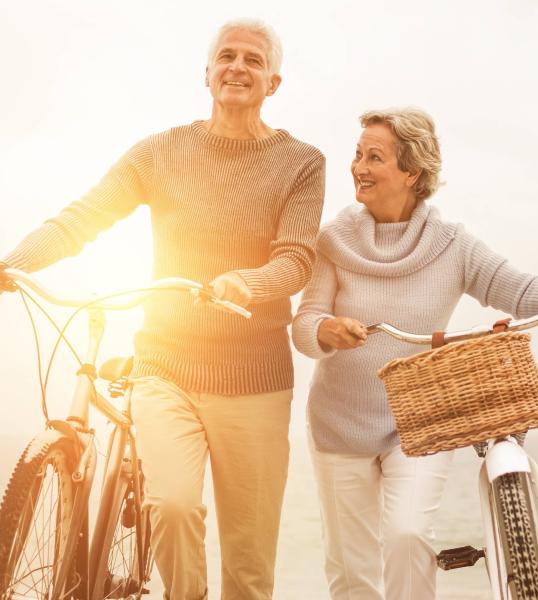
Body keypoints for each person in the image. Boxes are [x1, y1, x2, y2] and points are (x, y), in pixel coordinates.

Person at [0, 19, 325, 600]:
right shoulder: (159, 151)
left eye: (253, 61)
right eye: (227, 57)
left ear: (273, 82)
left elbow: (296, 260)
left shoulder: (301, 162)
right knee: (172, 506)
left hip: (254, 380)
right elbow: (84, 217)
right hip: (167, 365)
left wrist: (245, 284)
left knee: (249, 569)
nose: (238, 68)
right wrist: (15, 263)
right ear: (206, 74)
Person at [291, 107, 538, 600]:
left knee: (407, 537)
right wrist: (327, 331)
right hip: (340, 423)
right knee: (352, 569)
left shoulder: (451, 245)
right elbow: (303, 324)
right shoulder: (333, 241)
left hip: (422, 422)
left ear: (412, 172)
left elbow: (518, 289)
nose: (359, 166)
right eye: (358, 154)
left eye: (375, 157)